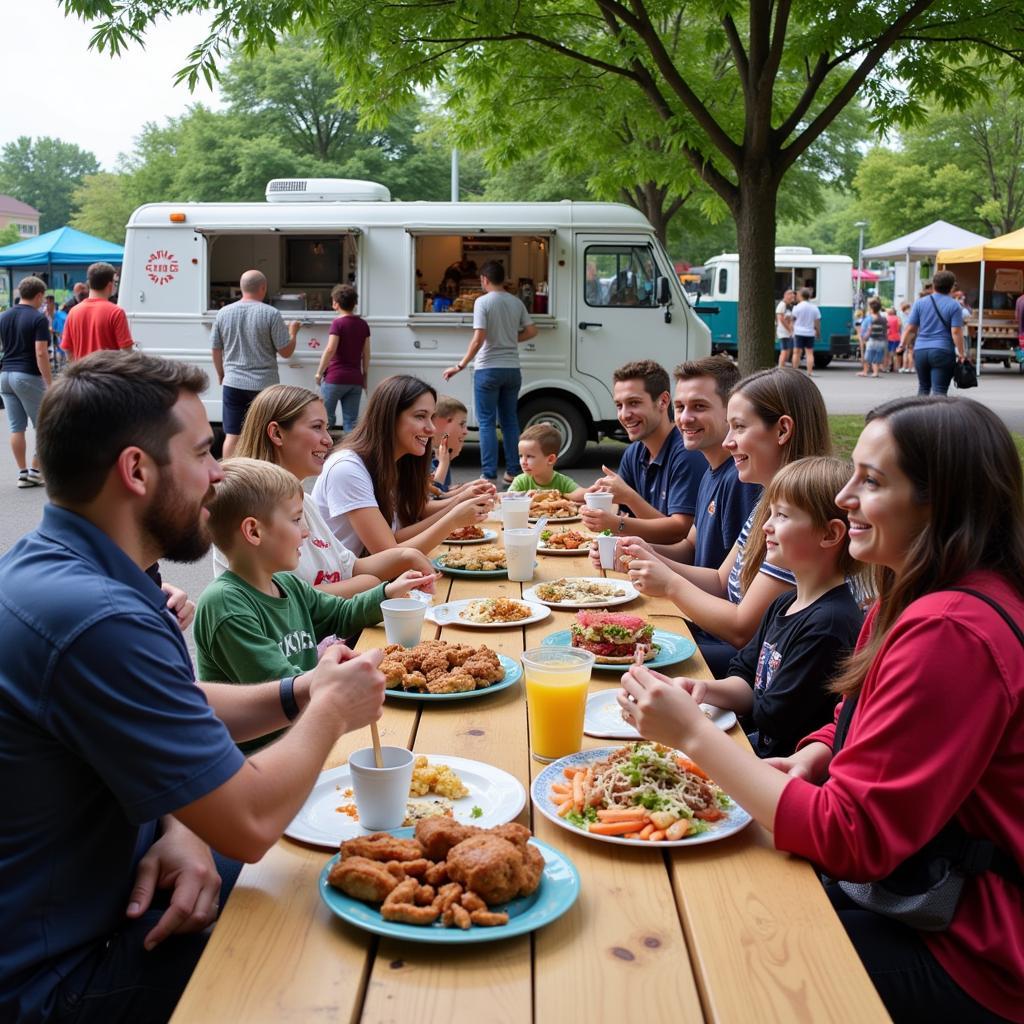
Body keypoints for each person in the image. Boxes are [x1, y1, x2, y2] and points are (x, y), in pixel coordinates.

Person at [0, 350, 388, 1023]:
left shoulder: (68, 567)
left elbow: (169, 708)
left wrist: (297, 694)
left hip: (122, 890)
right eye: (205, 453)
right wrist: (330, 710)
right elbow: (249, 824)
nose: (216, 475)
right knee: (354, 948)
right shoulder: (97, 618)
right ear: (137, 470)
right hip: (57, 975)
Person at [619, 396, 1024, 1024]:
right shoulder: (918, 594)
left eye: (873, 481)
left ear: (939, 502)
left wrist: (695, 737)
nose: (845, 497)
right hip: (918, 893)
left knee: (726, 957)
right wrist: (818, 752)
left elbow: (852, 838)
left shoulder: (953, 630)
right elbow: (856, 715)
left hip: (973, 950)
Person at [195, 458, 436, 750]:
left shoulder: (287, 584)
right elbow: (283, 689)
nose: (307, 531)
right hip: (262, 761)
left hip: (305, 736)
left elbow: (340, 614)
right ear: (254, 532)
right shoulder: (226, 606)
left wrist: (388, 592)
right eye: (296, 520)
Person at [620, 367, 831, 676]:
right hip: (738, 656)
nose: (729, 441)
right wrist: (646, 554)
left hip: (757, 671)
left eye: (740, 428)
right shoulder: (767, 501)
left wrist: (669, 584)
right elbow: (721, 582)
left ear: (783, 430)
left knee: (628, 655)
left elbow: (742, 629)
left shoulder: (801, 514)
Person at [677, 456, 864, 758]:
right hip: (757, 749)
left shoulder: (830, 624)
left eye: (783, 516)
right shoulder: (785, 602)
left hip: (780, 769)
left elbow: (773, 715)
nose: (766, 526)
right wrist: (701, 689)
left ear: (830, 534)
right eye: (770, 514)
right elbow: (744, 673)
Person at [223, 384, 436, 596]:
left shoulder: (306, 502)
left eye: (326, 427)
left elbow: (349, 567)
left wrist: (407, 556)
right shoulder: (249, 509)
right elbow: (282, 602)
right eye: (317, 427)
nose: (328, 440)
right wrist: (373, 586)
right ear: (277, 433)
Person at [312, 374, 494, 557]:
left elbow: (396, 536)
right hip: (346, 581)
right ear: (389, 417)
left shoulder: (395, 462)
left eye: (431, 417)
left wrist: (458, 505)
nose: (431, 429)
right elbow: (387, 554)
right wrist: (453, 518)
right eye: (420, 416)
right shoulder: (347, 468)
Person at [580, 360, 708, 545]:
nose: (624, 414)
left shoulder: (688, 452)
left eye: (634, 403)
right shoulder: (634, 452)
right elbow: (622, 511)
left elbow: (680, 531)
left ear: (663, 402)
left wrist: (625, 508)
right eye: (619, 405)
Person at [442, 261, 537, 484]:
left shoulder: (482, 302)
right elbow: (532, 330)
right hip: (512, 369)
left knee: (486, 422)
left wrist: (460, 365)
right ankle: (514, 471)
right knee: (510, 422)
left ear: (484, 279)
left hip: (488, 369)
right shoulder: (515, 302)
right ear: (502, 279)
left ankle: (488, 473)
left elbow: (479, 338)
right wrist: (511, 339)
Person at [210, 269, 301, 459]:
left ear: (241, 288)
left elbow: (216, 349)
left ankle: (230, 480)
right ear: (263, 288)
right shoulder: (271, 314)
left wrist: (221, 373)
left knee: (233, 436)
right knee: (265, 436)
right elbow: (285, 352)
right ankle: (263, 478)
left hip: (233, 383)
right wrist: (293, 332)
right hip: (264, 386)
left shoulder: (223, 313)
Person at [0, 276, 52, 488]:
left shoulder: (3, 316)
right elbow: (41, 352)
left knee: (16, 427)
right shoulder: (38, 319)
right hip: (27, 375)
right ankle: (34, 471)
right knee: (45, 425)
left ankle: (22, 472)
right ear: (39, 295)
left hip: (5, 375)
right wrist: (49, 382)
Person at [899, 270, 965, 397]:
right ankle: (938, 417)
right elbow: (956, 331)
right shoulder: (954, 305)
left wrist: (902, 345)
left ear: (934, 284)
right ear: (952, 286)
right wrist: (961, 353)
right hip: (942, 351)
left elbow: (910, 329)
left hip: (921, 351)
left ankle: (919, 416)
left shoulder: (919, 303)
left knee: (923, 388)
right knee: (939, 391)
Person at [314, 283, 370, 433]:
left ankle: (323, 452)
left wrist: (319, 373)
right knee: (351, 421)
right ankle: (349, 453)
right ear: (354, 303)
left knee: (326, 418)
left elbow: (330, 349)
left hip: (335, 379)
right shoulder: (363, 324)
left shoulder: (338, 323)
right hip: (354, 380)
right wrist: (364, 377)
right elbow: (367, 354)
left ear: (335, 304)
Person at [60, 262, 133, 362]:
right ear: (110, 285)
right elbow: (126, 352)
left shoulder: (73, 312)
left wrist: (77, 369)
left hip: (82, 375)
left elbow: (67, 349)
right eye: (115, 282)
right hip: (108, 375)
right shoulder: (116, 312)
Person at [509, 423, 586, 499]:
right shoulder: (520, 481)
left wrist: (593, 490)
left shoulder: (562, 482)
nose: (523, 462)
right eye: (521, 456)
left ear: (550, 459)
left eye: (529, 456)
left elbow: (581, 494)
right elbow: (507, 499)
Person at [790, 288, 820, 375]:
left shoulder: (797, 307)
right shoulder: (814, 308)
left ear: (801, 296)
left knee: (796, 352)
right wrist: (818, 332)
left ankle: (794, 370)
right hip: (810, 333)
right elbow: (817, 322)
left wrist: (792, 330)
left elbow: (792, 320)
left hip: (798, 332)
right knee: (809, 353)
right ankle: (810, 371)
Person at [858, 298, 887, 379]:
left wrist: (863, 337)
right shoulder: (883, 319)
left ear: (871, 309)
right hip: (881, 340)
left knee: (868, 356)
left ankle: (865, 371)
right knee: (877, 356)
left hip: (872, 339)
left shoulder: (868, 319)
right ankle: (876, 372)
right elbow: (885, 330)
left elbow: (865, 329)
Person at [775, 289, 796, 368]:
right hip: (783, 332)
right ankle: (780, 367)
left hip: (787, 333)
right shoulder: (782, 305)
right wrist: (789, 329)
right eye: (791, 297)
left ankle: (783, 366)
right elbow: (781, 319)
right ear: (786, 296)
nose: (793, 299)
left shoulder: (787, 306)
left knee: (787, 350)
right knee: (784, 351)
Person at [885, 306, 901, 372]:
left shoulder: (886, 318)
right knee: (895, 353)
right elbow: (899, 326)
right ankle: (895, 368)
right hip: (896, 337)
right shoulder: (898, 318)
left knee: (888, 353)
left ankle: (889, 367)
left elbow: (886, 328)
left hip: (888, 337)